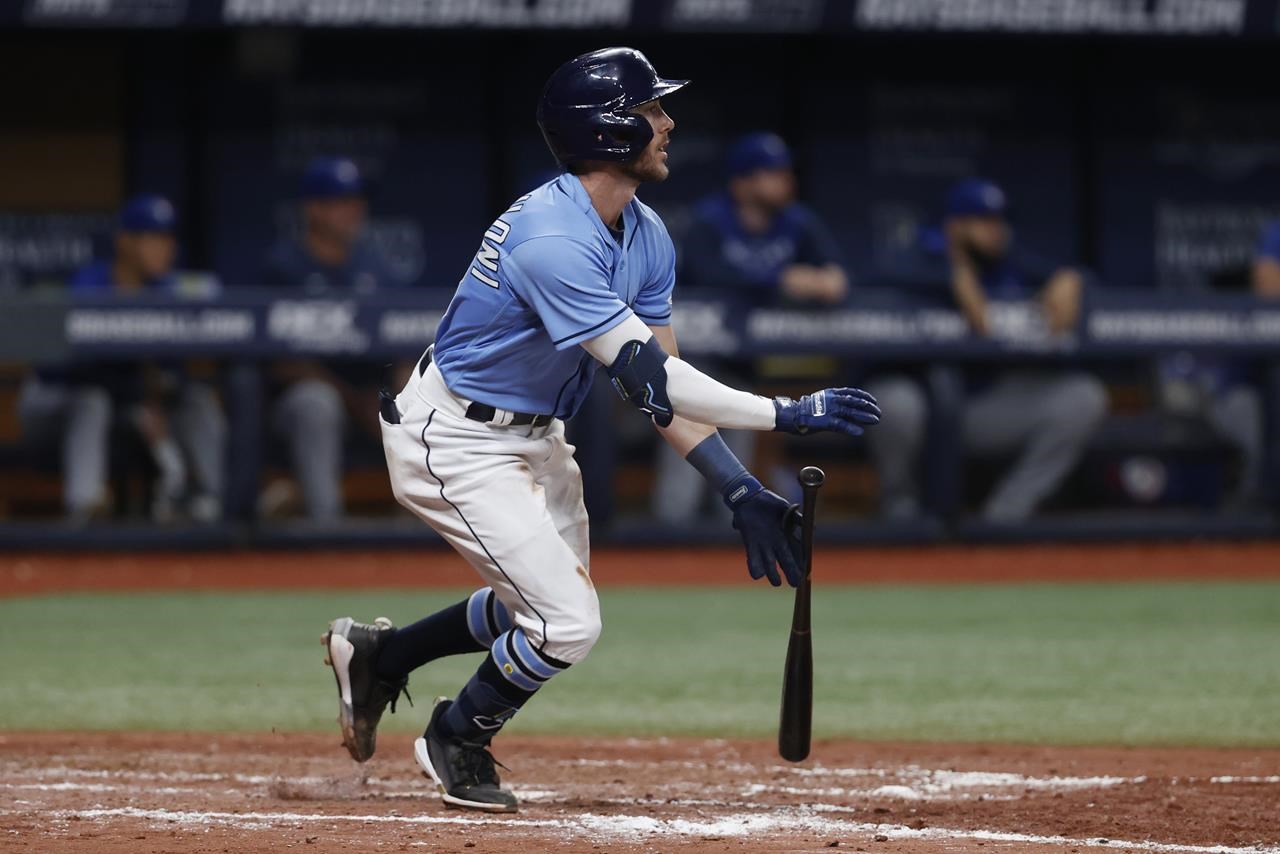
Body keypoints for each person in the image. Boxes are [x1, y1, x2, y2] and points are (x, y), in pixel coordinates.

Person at [319, 48, 880, 813]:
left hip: (536, 437)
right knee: (567, 623)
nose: (668, 123)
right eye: (652, 111)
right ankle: (456, 735)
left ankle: (384, 655)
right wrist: (788, 413)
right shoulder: (551, 239)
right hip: (454, 438)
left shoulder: (644, 234)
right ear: (610, 131)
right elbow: (656, 376)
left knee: (540, 607)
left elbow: (661, 390)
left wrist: (739, 487)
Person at [867, 178, 1107, 522]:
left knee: (1083, 397)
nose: (997, 230)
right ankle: (899, 508)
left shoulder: (1003, 261)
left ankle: (1005, 515)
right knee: (890, 401)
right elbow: (875, 284)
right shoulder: (916, 258)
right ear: (954, 226)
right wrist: (950, 274)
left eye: (998, 220)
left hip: (980, 405)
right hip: (919, 407)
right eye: (983, 221)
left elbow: (1067, 275)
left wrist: (1070, 279)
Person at [653, 133, 848, 522]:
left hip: (764, 361)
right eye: (769, 173)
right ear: (741, 182)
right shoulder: (709, 221)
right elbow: (712, 277)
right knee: (696, 415)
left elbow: (837, 282)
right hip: (699, 358)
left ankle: (728, 531)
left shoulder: (799, 222)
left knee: (741, 429)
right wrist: (783, 280)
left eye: (783, 172)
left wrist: (810, 282)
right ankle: (671, 528)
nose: (783, 181)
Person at [18, 194, 227, 522]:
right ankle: (84, 508)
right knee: (91, 400)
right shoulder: (89, 285)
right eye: (152, 238)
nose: (164, 248)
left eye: (168, 238)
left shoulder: (168, 289)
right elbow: (55, 369)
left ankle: (219, 502)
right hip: (50, 404)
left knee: (196, 399)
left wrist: (154, 395)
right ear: (125, 242)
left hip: (125, 410)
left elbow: (174, 365)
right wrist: (137, 392)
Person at [257, 157, 400, 521]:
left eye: (357, 200)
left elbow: (404, 341)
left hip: (370, 396)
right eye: (341, 201)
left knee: (422, 400)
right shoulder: (283, 266)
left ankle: (428, 521)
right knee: (316, 403)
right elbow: (281, 362)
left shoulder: (375, 267)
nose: (354, 210)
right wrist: (354, 400)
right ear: (314, 209)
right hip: (300, 401)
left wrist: (401, 396)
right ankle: (326, 527)